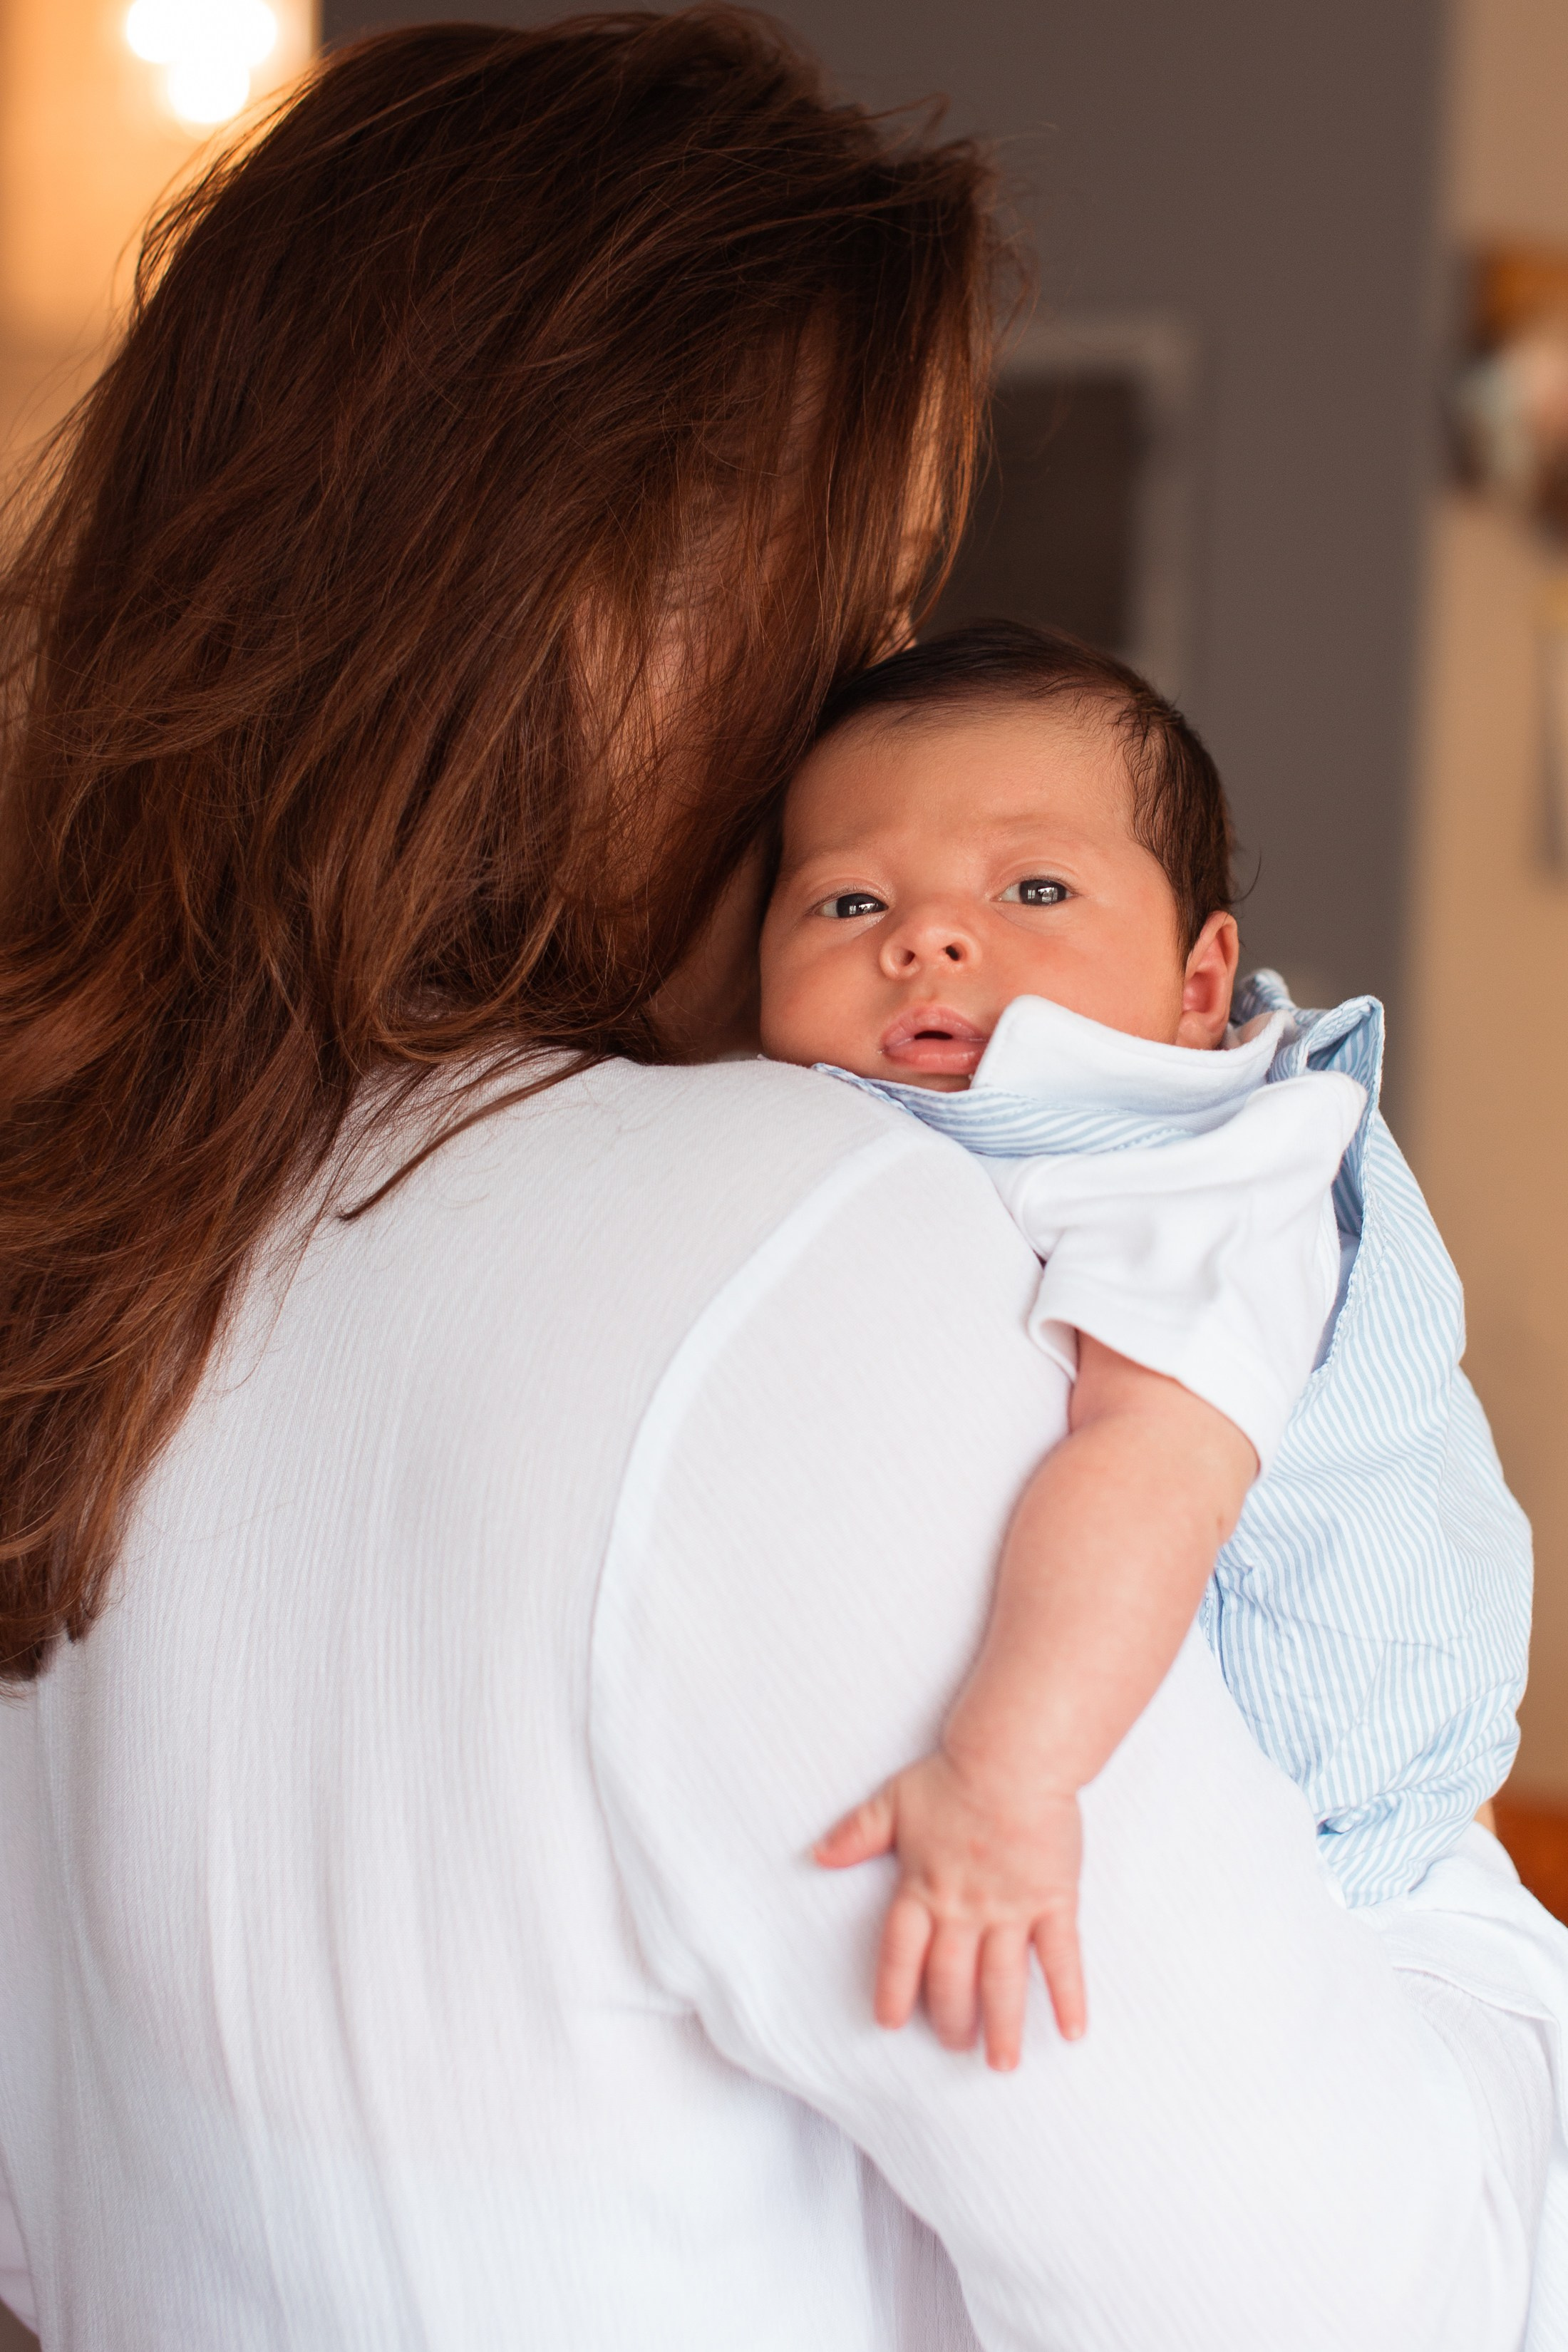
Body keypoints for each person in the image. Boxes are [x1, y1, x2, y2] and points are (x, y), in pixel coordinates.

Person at [0, 15, 1564, 2351]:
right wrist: (1440, 1906)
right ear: (609, 620)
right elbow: (1371, 2301)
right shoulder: (787, 1241)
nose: (876, 711)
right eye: (857, 609)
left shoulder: (97, 1247)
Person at [757, 619, 1534, 2067]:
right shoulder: (878, 1131)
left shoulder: (1206, 1165)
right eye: (849, 900)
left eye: (1033, 888)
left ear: (1195, 984)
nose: (926, 938)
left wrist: (1003, 1775)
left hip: (1375, 1871)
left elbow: (1149, 1468)